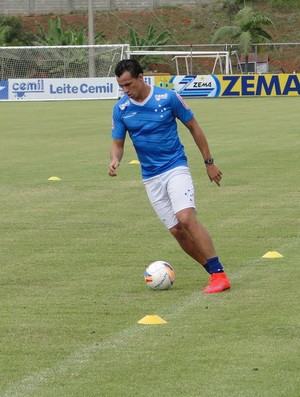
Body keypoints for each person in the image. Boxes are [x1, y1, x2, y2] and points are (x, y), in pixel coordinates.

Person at [108, 59, 230, 294]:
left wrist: (209, 163)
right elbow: (118, 143)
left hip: (175, 167)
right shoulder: (121, 108)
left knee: (185, 218)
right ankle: (212, 272)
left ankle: (219, 274)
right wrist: (115, 159)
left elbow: (194, 127)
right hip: (151, 176)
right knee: (176, 230)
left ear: (141, 77)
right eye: (121, 86)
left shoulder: (168, 98)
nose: (125, 90)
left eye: (129, 84)